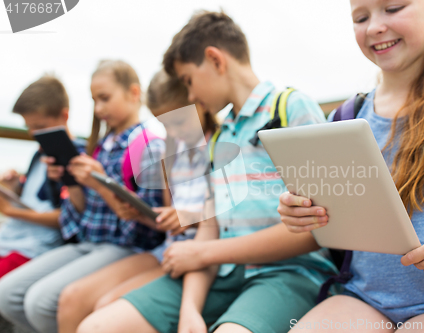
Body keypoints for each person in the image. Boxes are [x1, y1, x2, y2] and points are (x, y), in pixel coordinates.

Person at [76, 10, 336, 333]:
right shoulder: (222, 137)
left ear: (215, 60)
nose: (191, 96)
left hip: (287, 273)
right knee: (97, 326)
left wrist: (202, 252)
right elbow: (211, 226)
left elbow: (321, 228)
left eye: (188, 80)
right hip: (219, 272)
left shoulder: (290, 108)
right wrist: (189, 309)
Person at [277, 0, 424, 332]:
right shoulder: (344, 118)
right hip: (364, 299)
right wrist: (302, 213)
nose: (374, 27)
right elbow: (333, 223)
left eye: (393, 8)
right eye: (360, 17)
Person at [0, 60, 165, 333]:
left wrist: (102, 184)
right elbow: (80, 215)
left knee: (41, 303)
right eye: (94, 101)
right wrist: (72, 182)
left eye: (105, 99)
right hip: (88, 241)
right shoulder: (100, 146)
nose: (98, 109)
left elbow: (150, 226)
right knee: (8, 295)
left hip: (125, 246)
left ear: (134, 94)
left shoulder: (146, 145)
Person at [56, 70, 217, 333]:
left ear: (197, 102)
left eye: (177, 122)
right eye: (164, 125)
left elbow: (221, 216)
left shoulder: (218, 146)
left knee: (105, 307)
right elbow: (167, 218)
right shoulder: (171, 151)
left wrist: (188, 217)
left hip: (199, 254)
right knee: (88, 301)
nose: (172, 132)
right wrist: (141, 213)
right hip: (168, 249)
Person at [0, 75, 85, 279]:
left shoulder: (78, 158)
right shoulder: (39, 154)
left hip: (36, 248)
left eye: (39, 127)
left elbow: (66, 217)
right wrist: (11, 187)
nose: (34, 133)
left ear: (64, 116)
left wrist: (11, 212)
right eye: (29, 127)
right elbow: (31, 196)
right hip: (12, 239)